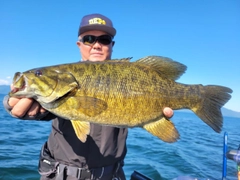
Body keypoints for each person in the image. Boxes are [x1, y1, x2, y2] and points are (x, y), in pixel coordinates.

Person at [3, 13, 174, 180]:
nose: (96, 45)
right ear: (79, 44)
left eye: (104, 40)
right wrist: (11, 104)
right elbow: (34, 108)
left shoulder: (128, 74)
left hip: (112, 175)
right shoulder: (62, 88)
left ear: (112, 45)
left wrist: (151, 116)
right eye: (89, 39)